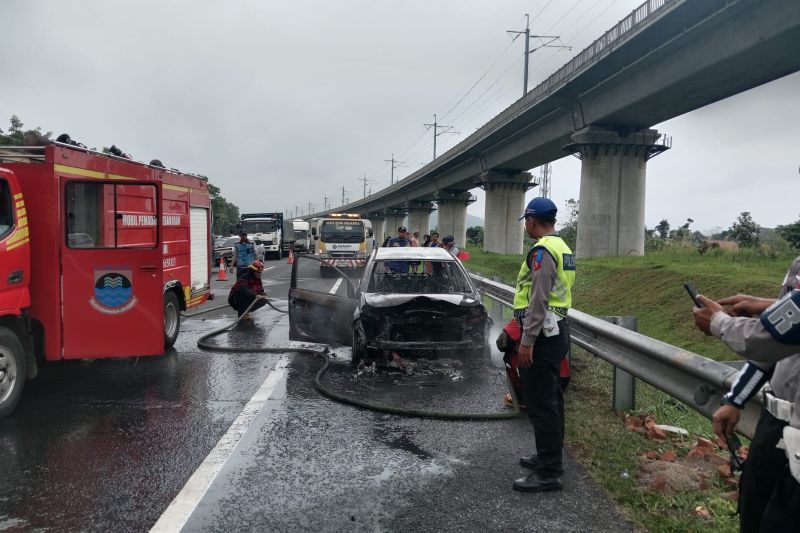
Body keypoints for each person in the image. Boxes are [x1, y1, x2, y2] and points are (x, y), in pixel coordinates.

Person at [693, 288, 800, 531]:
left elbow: (765, 340)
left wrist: (718, 322)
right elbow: (776, 345)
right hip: (777, 424)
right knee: (756, 511)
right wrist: (736, 399)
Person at [512, 197, 576, 494]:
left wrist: (527, 342)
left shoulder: (542, 251)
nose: (526, 225)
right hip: (556, 330)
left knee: (540, 403)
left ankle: (549, 472)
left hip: (541, 335)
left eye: (526, 220)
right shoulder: (562, 246)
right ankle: (547, 457)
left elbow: (538, 300)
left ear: (532, 220)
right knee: (551, 399)